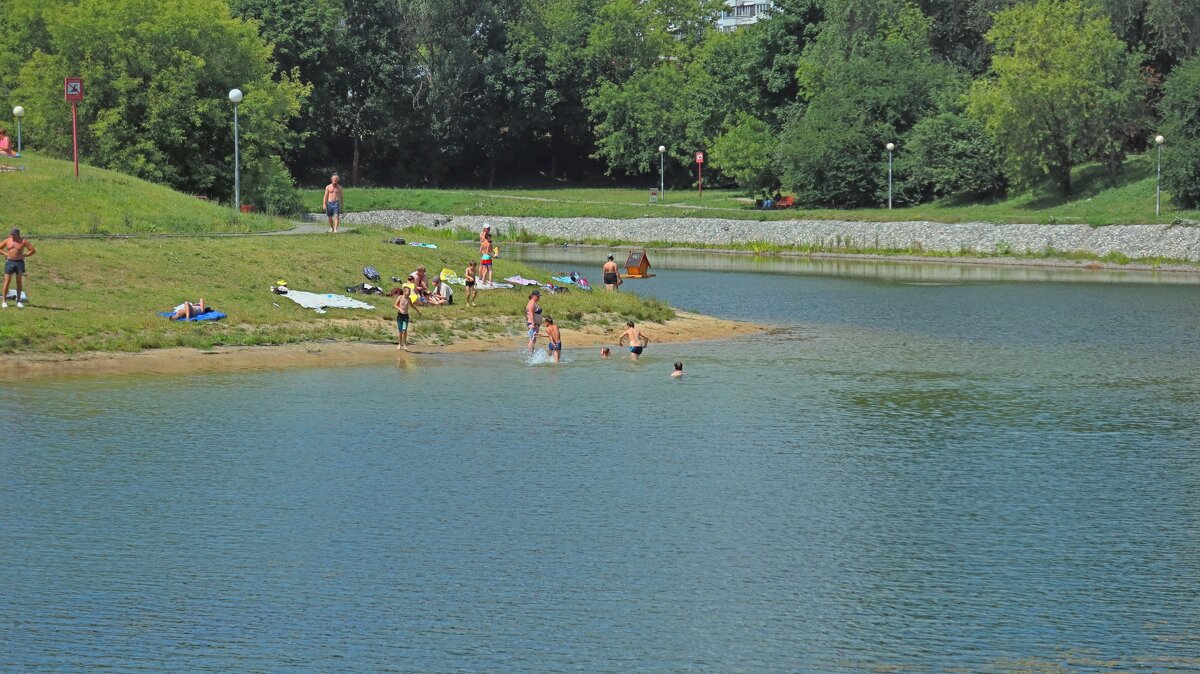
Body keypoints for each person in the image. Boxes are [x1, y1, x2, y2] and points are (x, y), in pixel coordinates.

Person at [1, 228, 35, 308]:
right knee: (7, 282)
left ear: (17, 235)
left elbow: (32, 250)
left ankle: (18, 301)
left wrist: (25, 255)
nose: (12, 236)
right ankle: (4, 301)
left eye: (13, 234)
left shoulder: (23, 241)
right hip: (9, 262)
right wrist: (5, 253)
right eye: (11, 234)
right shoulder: (8, 240)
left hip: (19, 263)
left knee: (19, 282)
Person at [394, 286, 420, 350]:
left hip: (405, 316)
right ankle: (400, 344)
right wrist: (400, 309)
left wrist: (418, 311)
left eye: (410, 292)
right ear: (404, 291)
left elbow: (412, 305)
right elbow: (395, 305)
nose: (409, 293)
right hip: (400, 316)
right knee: (400, 331)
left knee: (404, 330)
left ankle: (405, 344)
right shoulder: (400, 297)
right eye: (408, 291)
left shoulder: (409, 299)